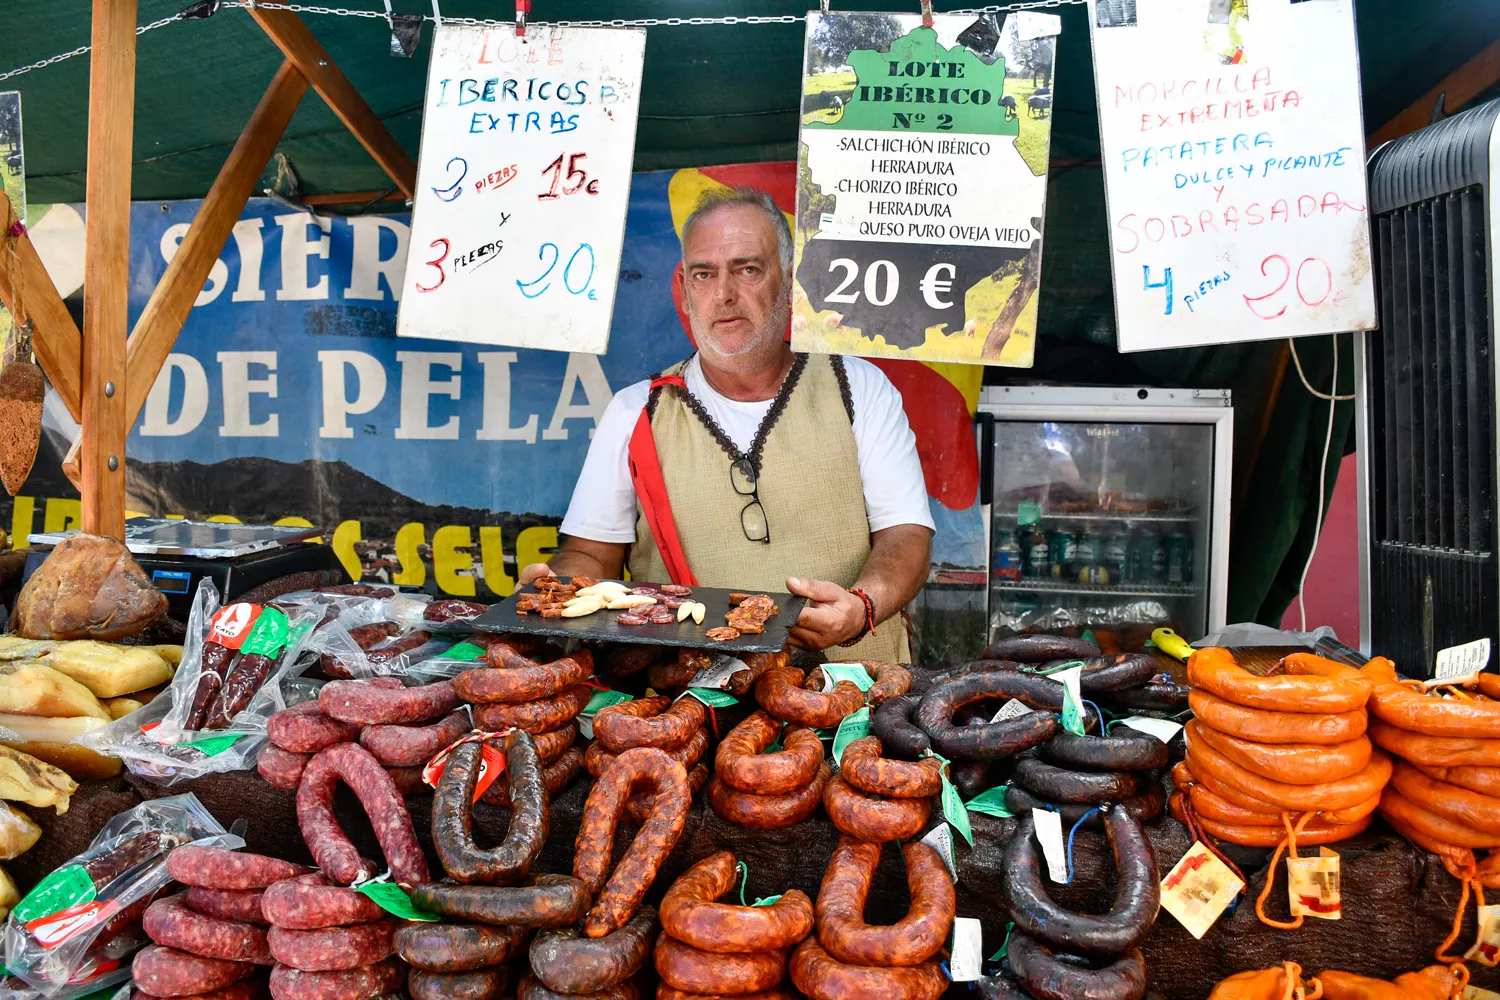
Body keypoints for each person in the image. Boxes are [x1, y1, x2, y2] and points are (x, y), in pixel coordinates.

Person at [520, 187, 934, 661]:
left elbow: (906, 536)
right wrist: (561, 588)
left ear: (790, 279)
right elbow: (592, 555)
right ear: (685, 287)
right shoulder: (636, 412)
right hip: (688, 705)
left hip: (853, 698)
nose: (724, 294)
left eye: (748, 269)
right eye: (704, 274)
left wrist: (861, 607)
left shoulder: (857, 387)